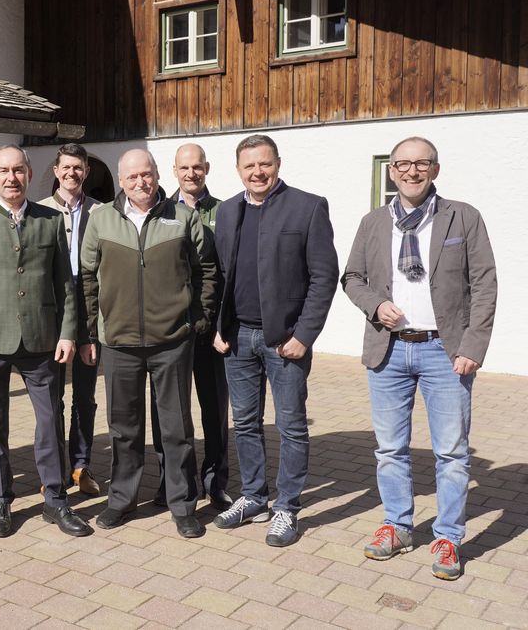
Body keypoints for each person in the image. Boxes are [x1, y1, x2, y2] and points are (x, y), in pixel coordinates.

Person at [341, 136, 496, 580]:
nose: (412, 171)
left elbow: (485, 283)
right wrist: (374, 304)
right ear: (391, 171)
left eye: (421, 163)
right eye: (403, 164)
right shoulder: (373, 222)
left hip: (444, 353)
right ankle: (397, 526)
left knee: (451, 452)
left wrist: (472, 346)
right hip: (388, 350)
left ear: (435, 169)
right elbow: (351, 277)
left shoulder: (462, 217)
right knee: (390, 449)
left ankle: (448, 537)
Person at [0, 144, 92, 538]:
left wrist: (68, 332)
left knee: (50, 422)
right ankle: (0, 500)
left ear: (30, 175)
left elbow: (65, 284)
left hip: (42, 338)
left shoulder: (50, 220)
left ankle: (55, 499)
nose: (12, 177)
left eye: (18, 170)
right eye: (4, 171)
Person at [80, 148, 217, 538]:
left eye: (147, 174)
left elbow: (205, 269)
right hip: (119, 342)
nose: (141, 182)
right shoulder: (101, 219)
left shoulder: (183, 218)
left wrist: (198, 318)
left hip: (171, 341)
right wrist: (94, 331)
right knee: (124, 428)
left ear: (157, 175)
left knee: (175, 428)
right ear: (121, 181)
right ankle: (121, 500)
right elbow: (88, 279)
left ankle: (182, 504)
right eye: (132, 177)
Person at [212, 134, 338, 547]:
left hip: (284, 341)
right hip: (237, 338)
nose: (257, 172)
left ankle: (286, 506)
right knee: (245, 423)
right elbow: (222, 277)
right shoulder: (228, 211)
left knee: (291, 425)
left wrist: (304, 334)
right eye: (249, 166)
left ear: (278, 164)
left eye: (264, 164)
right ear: (238, 170)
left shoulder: (307, 207)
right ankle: (253, 496)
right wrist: (220, 326)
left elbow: (324, 276)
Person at [152, 143, 232, 511]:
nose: (191, 174)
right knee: (168, 412)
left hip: (212, 332)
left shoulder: (226, 212)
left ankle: (215, 481)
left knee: (214, 410)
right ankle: (172, 480)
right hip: (171, 332)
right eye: (184, 168)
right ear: (174, 171)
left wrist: (221, 325)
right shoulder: (160, 212)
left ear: (207, 168)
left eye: (197, 167)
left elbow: (228, 273)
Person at [37, 143, 102, 496]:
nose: (72, 173)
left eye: (78, 167)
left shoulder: (101, 212)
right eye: (66, 167)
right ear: (56, 170)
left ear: (86, 171)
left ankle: (81, 466)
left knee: (85, 396)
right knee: (51, 398)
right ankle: (55, 468)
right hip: (52, 314)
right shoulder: (40, 212)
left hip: (89, 312)